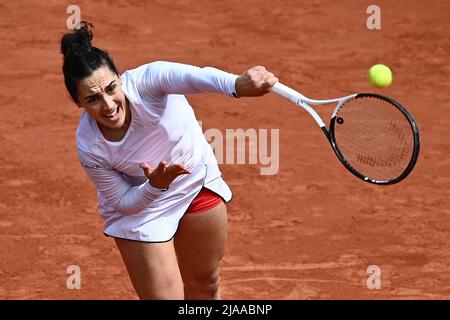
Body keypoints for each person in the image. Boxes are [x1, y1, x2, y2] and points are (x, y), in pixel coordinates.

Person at [61, 22, 278, 300]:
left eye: (111, 88)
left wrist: (237, 85)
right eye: (92, 99)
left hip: (194, 180)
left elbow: (195, 78)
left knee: (206, 284)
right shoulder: (89, 146)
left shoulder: (150, 80)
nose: (108, 104)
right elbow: (125, 203)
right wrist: (155, 185)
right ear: (78, 102)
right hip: (141, 208)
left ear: (120, 77)